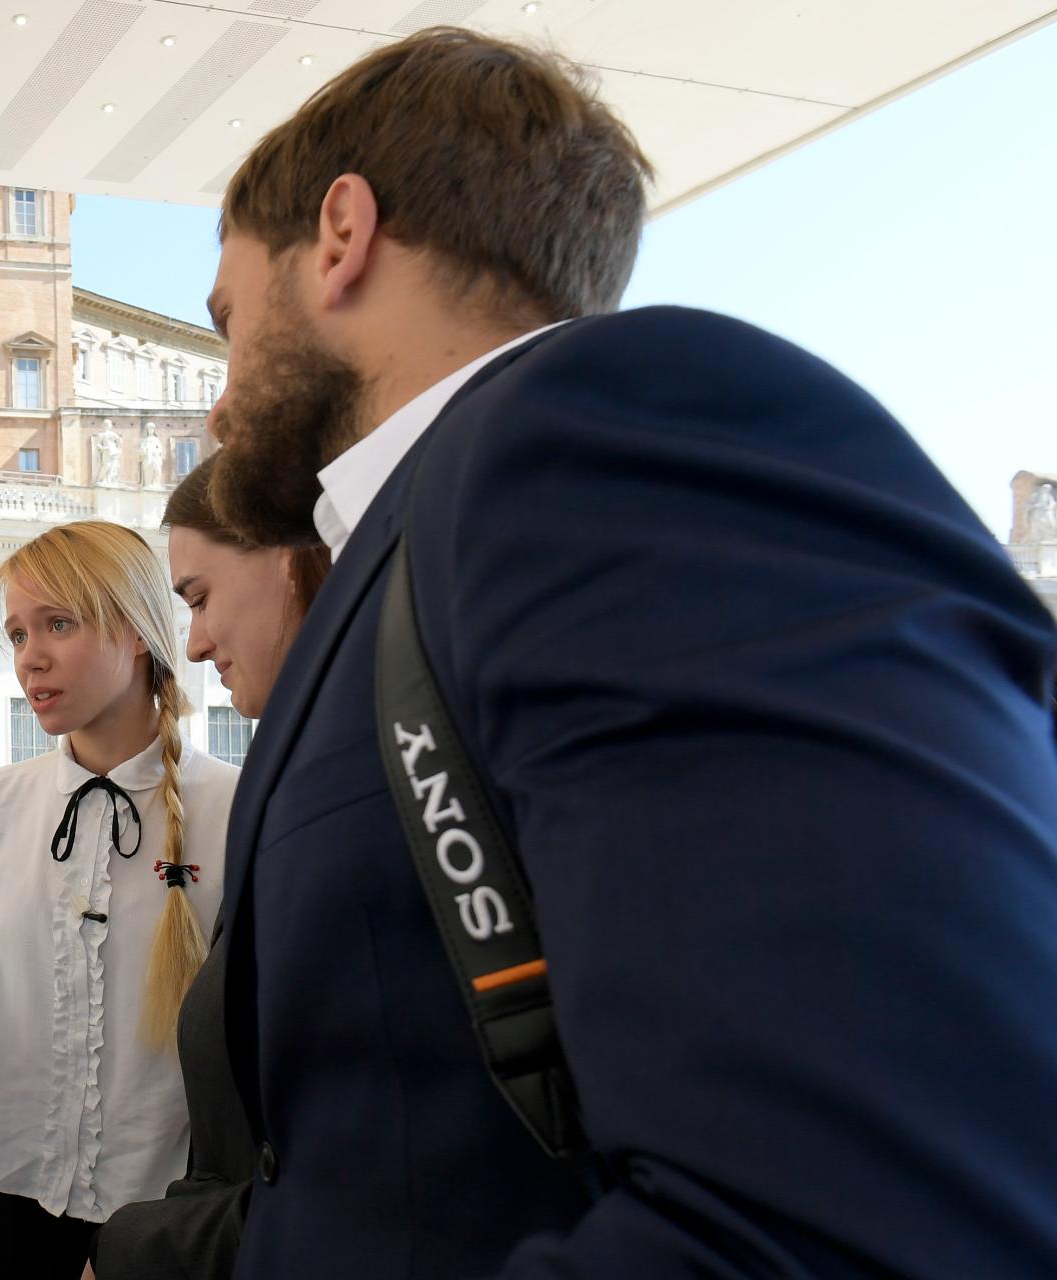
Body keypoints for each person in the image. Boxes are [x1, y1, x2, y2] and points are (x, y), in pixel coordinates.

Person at [198, 26, 1057, 1277]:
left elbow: (849, 1205)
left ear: (340, 236)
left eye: (226, 317)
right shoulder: (428, 531)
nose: (221, 397)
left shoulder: (594, 439)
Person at [0, 521, 240, 1279]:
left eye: (58, 624)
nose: (30, 656)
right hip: (12, 1174)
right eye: (17, 633)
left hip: (168, 1188)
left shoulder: (233, 806)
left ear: (135, 631)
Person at [92, 457, 327, 1278]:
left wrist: (145, 1245)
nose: (193, 640)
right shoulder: (294, 767)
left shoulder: (294, 788)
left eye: (199, 597)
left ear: (292, 560)